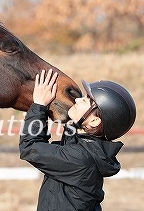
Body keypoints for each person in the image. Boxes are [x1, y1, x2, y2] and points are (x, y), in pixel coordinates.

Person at [19, 69, 136, 211]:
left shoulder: (80, 158)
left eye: (86, 100)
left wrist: (39, 106)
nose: (78, 99)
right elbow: (69, 134)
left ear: (94, 121)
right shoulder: (87, 149)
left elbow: (30, 147)